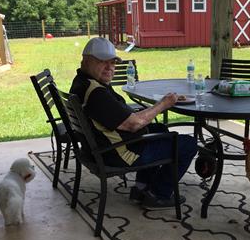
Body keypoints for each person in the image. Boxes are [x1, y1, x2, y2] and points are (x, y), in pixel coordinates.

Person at [69, 37, 198, 209]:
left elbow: (123, 116)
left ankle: (141, 188)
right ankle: (158, 194)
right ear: (86, 60)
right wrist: (164, 104)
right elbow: (133, 124)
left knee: (159, 128)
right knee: (188, 144)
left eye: (113, 62)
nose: (109, 67)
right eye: (102, 62)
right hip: (120, 152)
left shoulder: (82, 83)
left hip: (103, 146)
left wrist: (147, 112)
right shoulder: (96, 93)